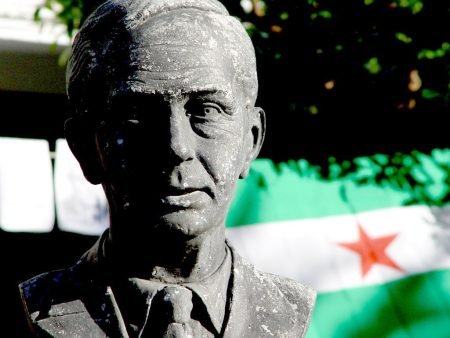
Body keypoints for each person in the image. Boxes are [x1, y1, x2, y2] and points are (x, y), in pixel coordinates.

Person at [19, 0, 315, 336]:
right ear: (86, 147)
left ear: (251, 140)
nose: (177, 146)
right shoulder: (38, 312)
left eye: (207, 110)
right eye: (137, 114)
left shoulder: (286, 313)